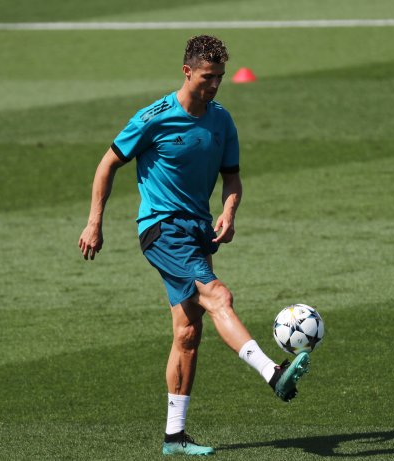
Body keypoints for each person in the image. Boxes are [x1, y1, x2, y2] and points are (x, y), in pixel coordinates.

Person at [78, 35, 310, 456]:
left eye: (220, 77)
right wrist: (95, 222)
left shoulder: (222, 120)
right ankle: (273, 373)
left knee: (187, 331)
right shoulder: (155, 117)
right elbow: (108, 162)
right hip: (161, 228)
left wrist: (229, 210)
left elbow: (233, 177)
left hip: (198, 231)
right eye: (208, 77)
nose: (215, 85)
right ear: (187, 71)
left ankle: (174, 437)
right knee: (218, 294)